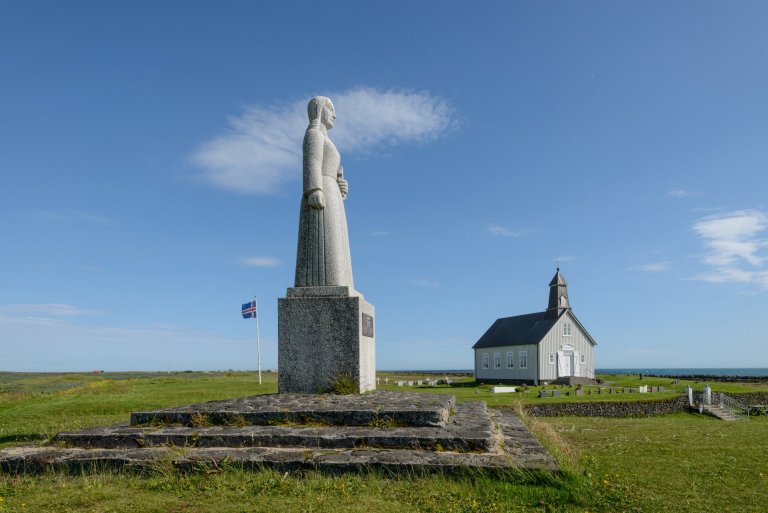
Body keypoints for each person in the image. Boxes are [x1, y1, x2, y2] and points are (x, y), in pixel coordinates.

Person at [294, 96, 354, 288]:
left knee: (337, 246)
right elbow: (311, 163)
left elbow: (333, 169)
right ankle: (328, 282)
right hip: (321, 192)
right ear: (319, 110)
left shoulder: (327, 140)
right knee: (327, 243)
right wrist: (314, 188)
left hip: (332, 193)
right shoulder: (313, 135)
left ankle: (339, 282)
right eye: (331, 109)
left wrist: (341, 185)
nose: (334, 115)